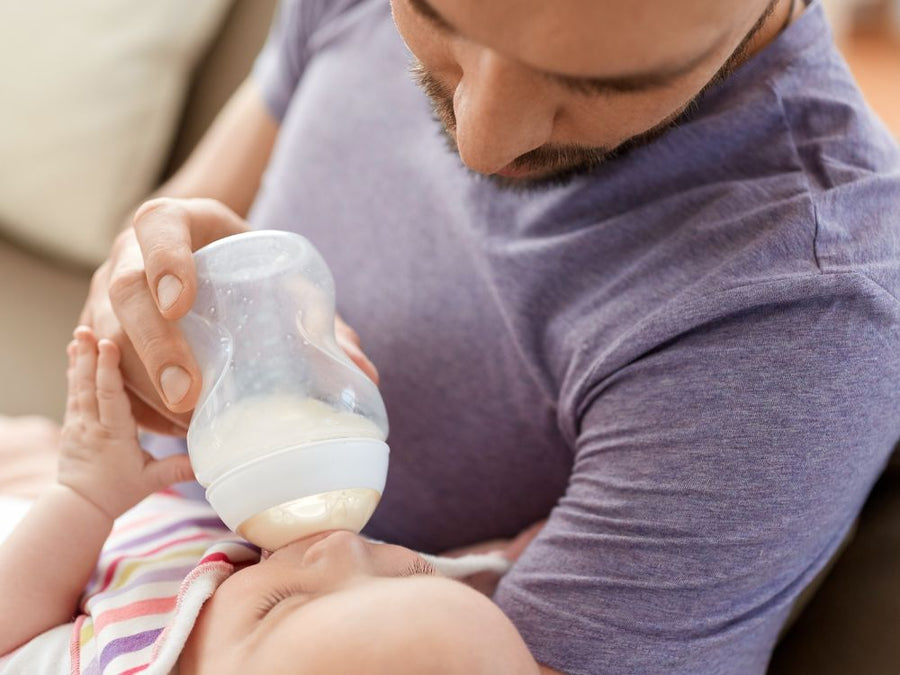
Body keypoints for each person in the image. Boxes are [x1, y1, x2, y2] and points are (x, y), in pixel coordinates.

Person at [73, 0, 900, 672]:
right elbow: (146, 262)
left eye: (600, 84)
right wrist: (141, 320)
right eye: (439, 22)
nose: (483, 137)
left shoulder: (802, 300)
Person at [0, 327, 539, 674]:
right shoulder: (393, 619)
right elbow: (466, 596)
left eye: (281, 603)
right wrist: (513, 560)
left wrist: (86, 494)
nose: (340, 549)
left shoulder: (107, 664)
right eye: (411, 573)